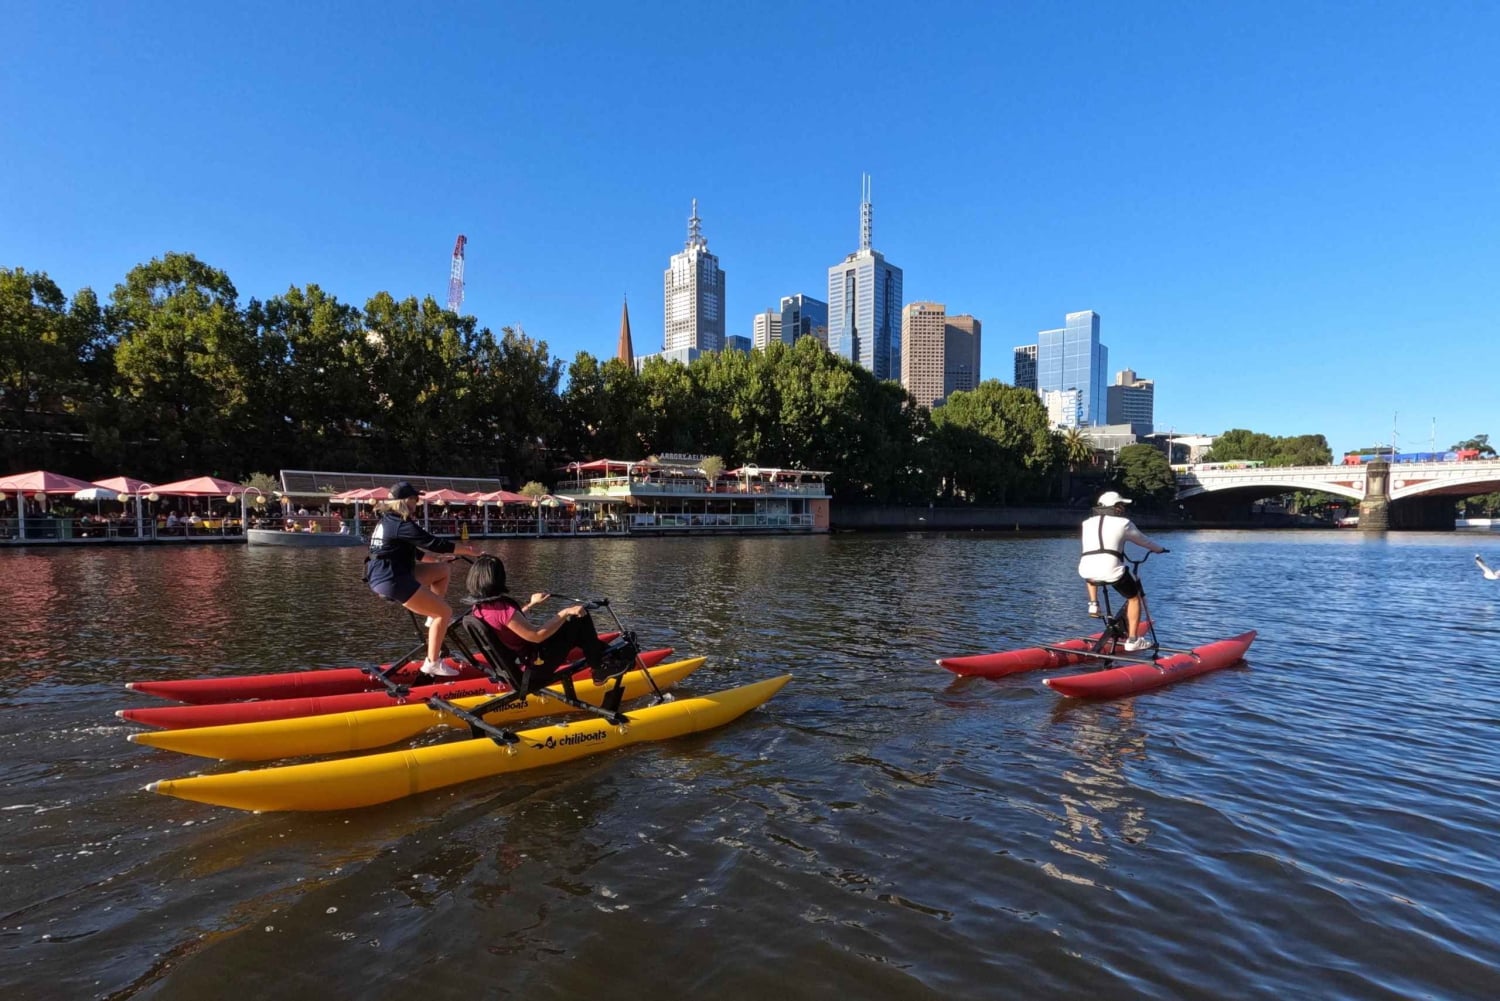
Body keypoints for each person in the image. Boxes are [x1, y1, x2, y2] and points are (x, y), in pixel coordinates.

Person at [364, 481, 479, 677]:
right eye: (415, 500)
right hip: (391, 578)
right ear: (407, 501)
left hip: (390, 573)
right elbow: (433, 542)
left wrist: (436, 560)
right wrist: (469, 550)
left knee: (442, 570)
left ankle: (431, 620)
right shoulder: (400, 523)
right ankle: (432, 662)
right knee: (444, 612)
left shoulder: (388, 521)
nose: (416, 504)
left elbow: (414, 551)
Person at [464, 554, 634, 684]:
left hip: (521, 661)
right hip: (534, 668)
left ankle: (608, 658)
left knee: (575, 624)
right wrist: (565, 612)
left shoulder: (480, 608)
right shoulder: (503, 609)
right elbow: (537, 635)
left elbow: (507, 623)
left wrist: (531, 604)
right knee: (578, 618)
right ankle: (600, 667)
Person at [1078, 490, 1168, 652]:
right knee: (1134, 598)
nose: (1123, 508)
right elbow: (1144, 541)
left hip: (1085, 568)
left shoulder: (1086, 523)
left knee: (1091, 570)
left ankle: (1093, 604)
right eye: (1120, 505)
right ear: (1115, 507)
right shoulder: (1124, 523)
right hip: (1111, 569)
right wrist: (1160, 549)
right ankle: (1133, 640)